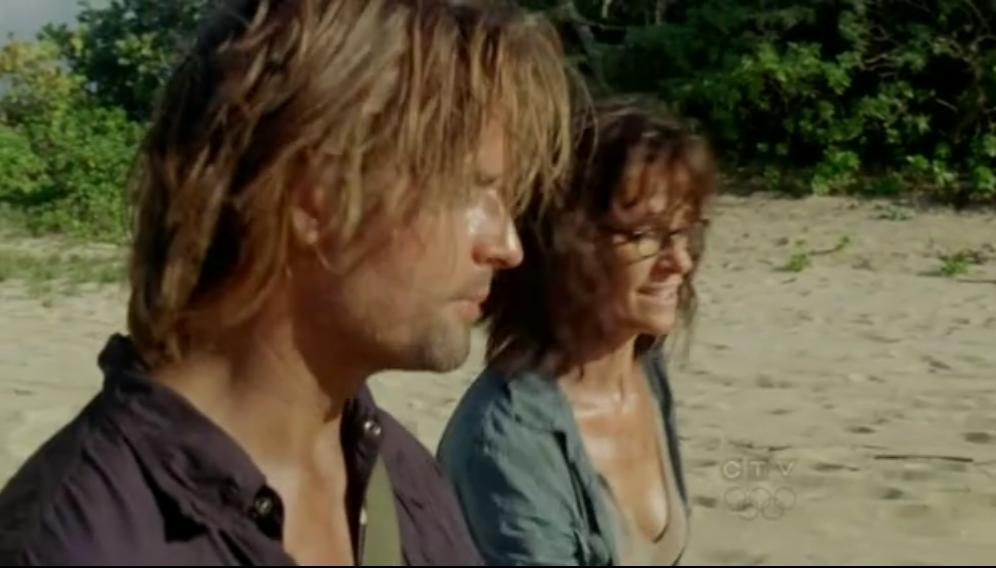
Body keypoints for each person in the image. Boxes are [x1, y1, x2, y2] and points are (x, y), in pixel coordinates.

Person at [0, 0, 574, 564]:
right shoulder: (75, 543)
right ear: (315, 199)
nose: (508, 247)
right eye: (469, 190)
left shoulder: (402, 482)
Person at [437, 100, 716, 566]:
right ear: (570, 245)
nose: (680, 261)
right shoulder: (509, 445)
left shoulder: (643, 368)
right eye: (646, 236)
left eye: (684, 232)